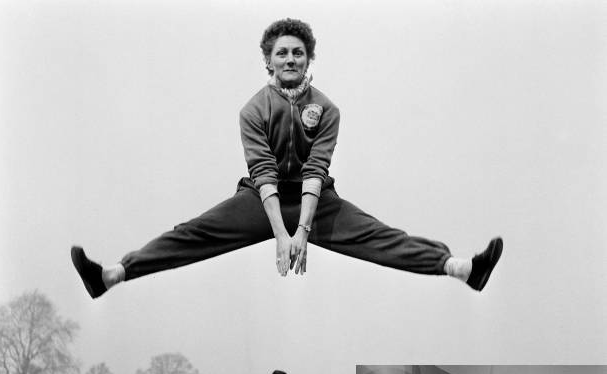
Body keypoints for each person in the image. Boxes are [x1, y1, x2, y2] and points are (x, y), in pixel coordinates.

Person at [71, 18, 503, 299]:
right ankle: (111, 275)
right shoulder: (252, 110)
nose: (290, 58)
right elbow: (262, 172)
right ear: (268, 62)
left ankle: (460, 268)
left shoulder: (327, 109)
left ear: (308, 59)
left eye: (298, 52)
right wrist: (282, 234)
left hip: (316, 201)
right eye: (282, 53)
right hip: (262, 202)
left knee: (377, 236)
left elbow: (316, 169)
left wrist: (304, 230)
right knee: (193, 234)